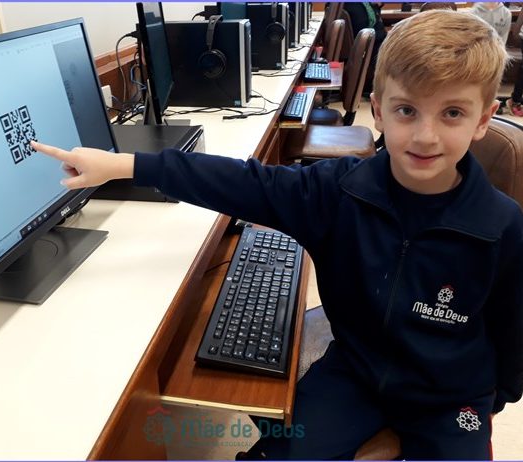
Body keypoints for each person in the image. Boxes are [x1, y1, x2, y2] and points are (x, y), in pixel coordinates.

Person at [32, 10, 523, 459]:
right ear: (378, 109)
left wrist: (489, 403)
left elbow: (513, 337)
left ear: (482, 120)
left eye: (452, 113)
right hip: (354, 376)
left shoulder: (502, 225)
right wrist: (124, 165)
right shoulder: (336, 192)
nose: (426, 136)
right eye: (407, 111)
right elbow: (242, 182)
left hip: (450, 399)